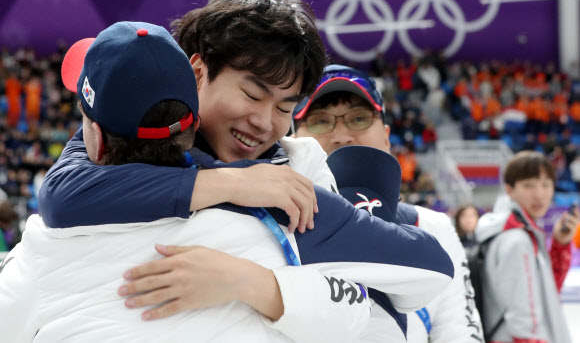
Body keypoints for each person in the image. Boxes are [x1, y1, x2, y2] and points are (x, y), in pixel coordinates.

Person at [0, 21, 453, 342]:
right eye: (252, 94)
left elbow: (370, 317)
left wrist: (256, 285)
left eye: (284, 108)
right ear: (196, 75)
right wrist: (231, 184)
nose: (262, 121)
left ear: (94, 133)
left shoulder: (295, 180)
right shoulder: (273, 209)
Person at [292, 64, 483, 342]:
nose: (342, 134)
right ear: (293, 139)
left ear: (386, 135)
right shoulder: (272, 224)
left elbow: (460, 333)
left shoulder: (431, 227)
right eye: (320, 120)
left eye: (358, 118)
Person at [476, 151, 579, 342]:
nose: (539, 194)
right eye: (528, 185)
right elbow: (523, 325)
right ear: (509, 189)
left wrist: (560, 245)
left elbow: (546, 292)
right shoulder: (516, 240)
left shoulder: (515, 231)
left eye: (546, 185)